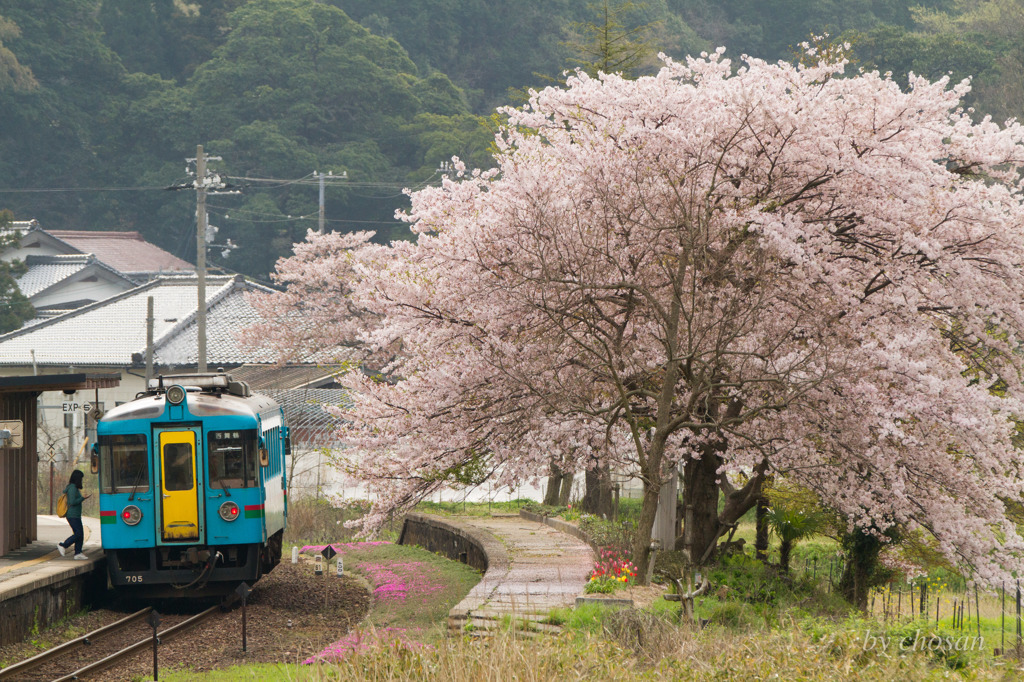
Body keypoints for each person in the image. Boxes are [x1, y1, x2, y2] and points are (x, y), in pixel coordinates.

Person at [57, 469, 90, 560]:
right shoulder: (72, 488)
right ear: (77, 478)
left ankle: (78, 553)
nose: (81, 480)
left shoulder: (74, 488)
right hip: (72, 515)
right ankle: (63, 545)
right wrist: (82, 498)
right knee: (78, 533)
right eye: (81, 479)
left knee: (80, 534)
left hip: (75, 515)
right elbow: (72, 502)